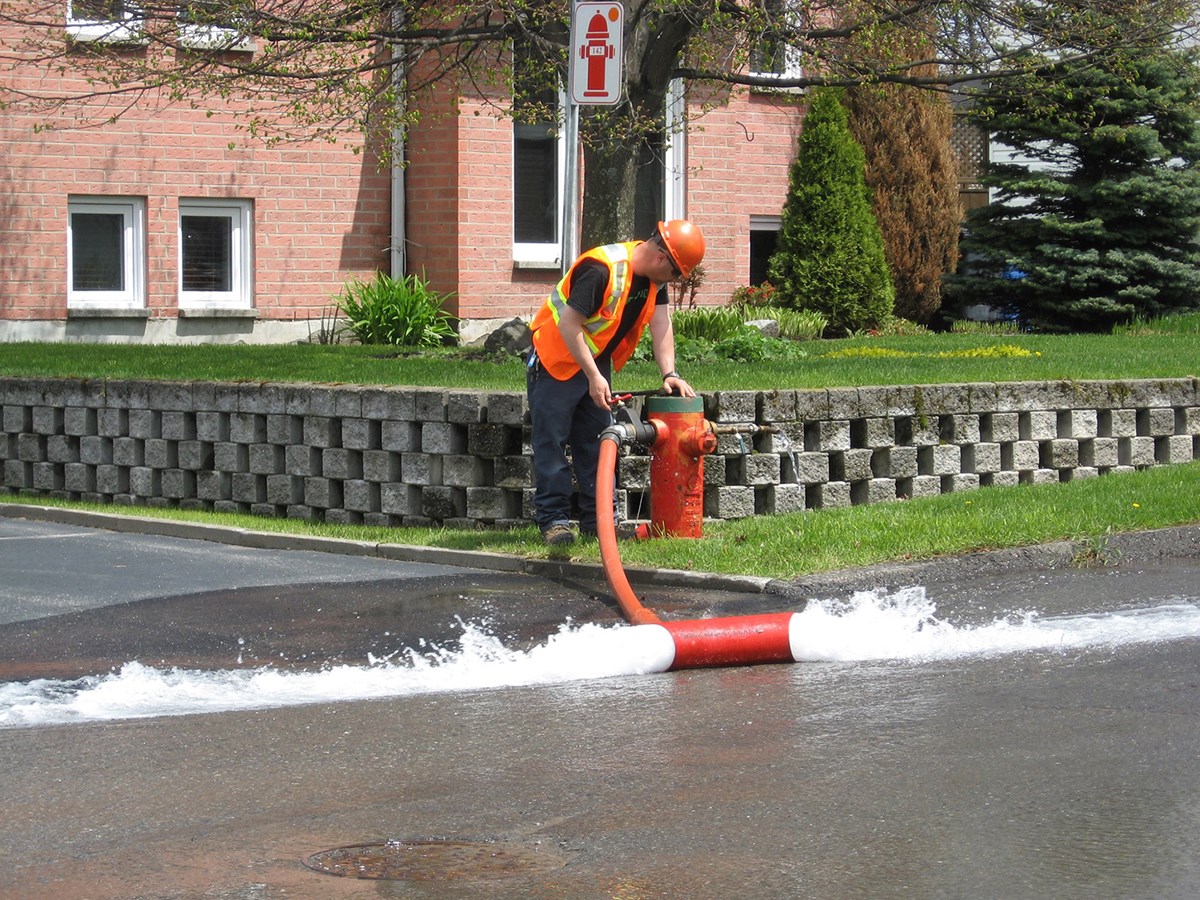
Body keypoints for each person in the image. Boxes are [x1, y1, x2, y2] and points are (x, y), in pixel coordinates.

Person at [526, 219, 706, 545]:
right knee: (551, 444)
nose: (676, 281)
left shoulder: (655, 279)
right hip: (555, 362)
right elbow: (569, 324)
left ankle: (600, 525)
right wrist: (594, 377)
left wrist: (670, 374)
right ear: (663, 258)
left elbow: (661, 324)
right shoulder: (602, 269)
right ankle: (555, 523)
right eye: (678, 274)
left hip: (592, 363)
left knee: (598, 444)